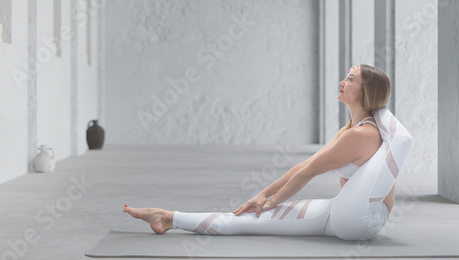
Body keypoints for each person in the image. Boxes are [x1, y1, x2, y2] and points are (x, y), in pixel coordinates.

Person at [123, 64, 413, 241]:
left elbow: (311, 172)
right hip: (343, 215)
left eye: (350, 79)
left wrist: (273, 200)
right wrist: (263, 195)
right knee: (250, 221)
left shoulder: (363, 134)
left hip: (361, 219)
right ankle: (168, 218)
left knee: (265, 213)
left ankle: (169, 217)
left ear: (365, 91)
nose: (342, 82)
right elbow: (307, 163)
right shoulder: (350, 129)